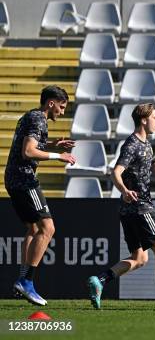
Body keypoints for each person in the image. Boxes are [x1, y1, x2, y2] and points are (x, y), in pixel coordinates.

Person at [87, 103, 155, 312]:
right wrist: (125, 190)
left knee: (139, 258)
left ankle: (100, 280)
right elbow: (115, 172)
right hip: (140, 206)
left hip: (129, 211)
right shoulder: (132, 144)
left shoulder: (146, 144)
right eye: (154, 117)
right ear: (144, 120)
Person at [7, 85, 76, 306]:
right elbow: (28, 151)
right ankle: (26, 282)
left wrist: (52, 143)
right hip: (25, 180)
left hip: (13, 178)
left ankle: (22, 279)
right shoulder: (39, 119)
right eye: (61, 107)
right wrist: (58, 155)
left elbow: (28, 144)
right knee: (48, 228)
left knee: (33, 229)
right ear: (51, 103)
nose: (62, 112)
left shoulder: (31, 116)